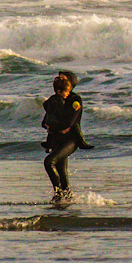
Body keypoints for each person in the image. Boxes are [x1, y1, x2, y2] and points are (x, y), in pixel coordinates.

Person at [41, 70, 89, 203]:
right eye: (59, 79)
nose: (59, 81)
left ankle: (58, 194)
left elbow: (68, 124)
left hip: (71, 140)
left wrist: (55, 127)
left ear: (71, 83)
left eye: (63, 79)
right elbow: (45, 122)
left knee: (49, 162)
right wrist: (52, 127)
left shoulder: (75, 100)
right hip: (57, 139)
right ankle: (65, 202)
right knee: (62, 173)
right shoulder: (55, 99)